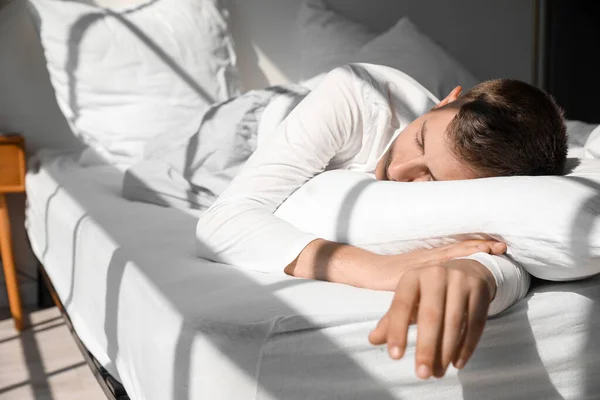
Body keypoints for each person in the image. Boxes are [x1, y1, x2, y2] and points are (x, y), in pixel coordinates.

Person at [195, 63, 567, 380]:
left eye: (432, 179)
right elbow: (220, 223)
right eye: (420, 140)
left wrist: (480, 270)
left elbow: (513, 240)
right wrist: (376, 268)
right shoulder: (355, 92)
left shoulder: (493, 179)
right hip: (242, 127)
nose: (399, 169)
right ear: (447, 101)